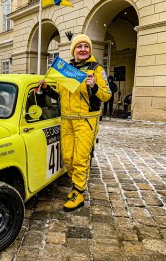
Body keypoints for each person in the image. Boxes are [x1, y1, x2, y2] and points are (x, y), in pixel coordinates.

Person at [38, 34, 111, 212]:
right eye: (79, 46)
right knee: (68, 158)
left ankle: (78, 192)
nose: (83, 49)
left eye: (86, 46)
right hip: (67, 120)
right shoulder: (67, 69)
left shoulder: (96, 68)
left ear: (90, 50)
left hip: (86, 120)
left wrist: (93, 86)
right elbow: (61, 95)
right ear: (74, 50)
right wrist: (47, 88)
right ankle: (76, 181)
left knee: (80, 158)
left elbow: (106, 95)